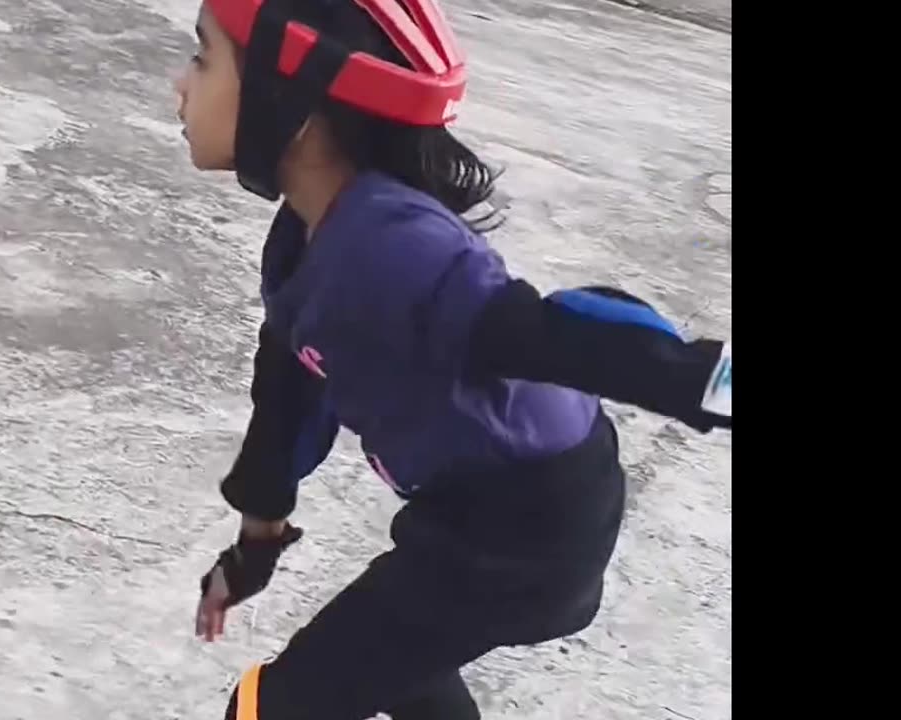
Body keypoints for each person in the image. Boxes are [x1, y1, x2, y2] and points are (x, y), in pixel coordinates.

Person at [172, 1, 731, 718]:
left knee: (273, 706)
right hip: (468, 517)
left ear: (293, 100)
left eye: (201, 58)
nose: (180, 86)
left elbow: (548, 333)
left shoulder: (393, 244)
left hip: (529, 527)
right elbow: (284, 401)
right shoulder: (304, 238)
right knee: (400, 662)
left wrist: (705, 378)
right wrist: (254, 549)